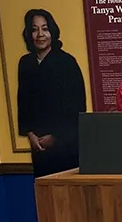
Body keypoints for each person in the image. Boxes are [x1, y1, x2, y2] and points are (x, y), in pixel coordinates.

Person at [17, 9, 86, 178]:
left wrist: (56, 137)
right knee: (45, 196)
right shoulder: (26, 63)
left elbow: (77, 106)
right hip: (38, 147)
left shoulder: (67, 62)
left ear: (52, 32)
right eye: (34, 29)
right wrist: (30, 133)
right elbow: (23, 102)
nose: (40, 34)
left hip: (66, 146)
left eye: (45, 28)